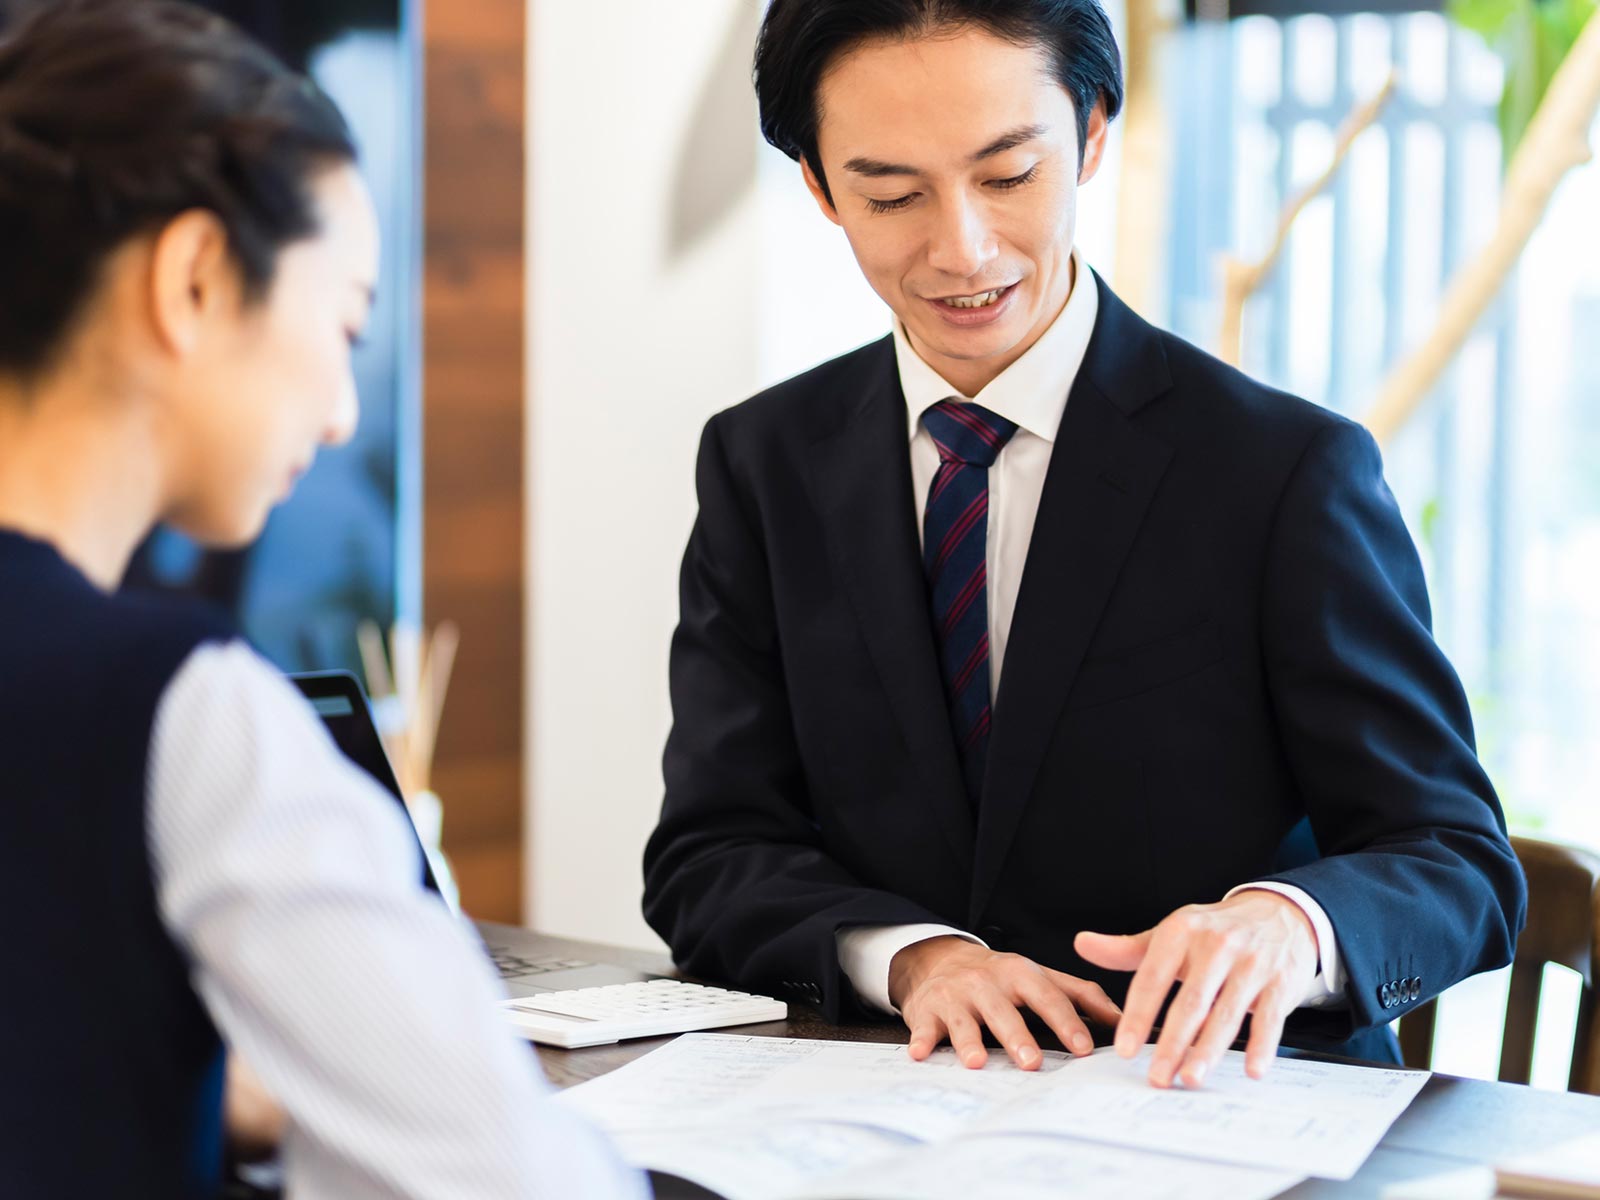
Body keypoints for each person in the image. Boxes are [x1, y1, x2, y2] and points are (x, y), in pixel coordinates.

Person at [643, 0, 1527, 1089]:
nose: (960, 248)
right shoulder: (764, 463)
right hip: (889, 1113)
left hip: (1220, 1114)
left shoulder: (1280, 471)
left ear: (1093, 132)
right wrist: (913, 959)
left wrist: (1290, 926)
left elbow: (1454, 862)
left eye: (1008, 176)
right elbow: (711, 852)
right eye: (890, 194)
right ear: (821, 188)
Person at [0, 3, 645, 1197]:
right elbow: (511, 1176)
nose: (344, 410)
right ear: (194, 278)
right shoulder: (177, 707)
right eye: (343, 320)